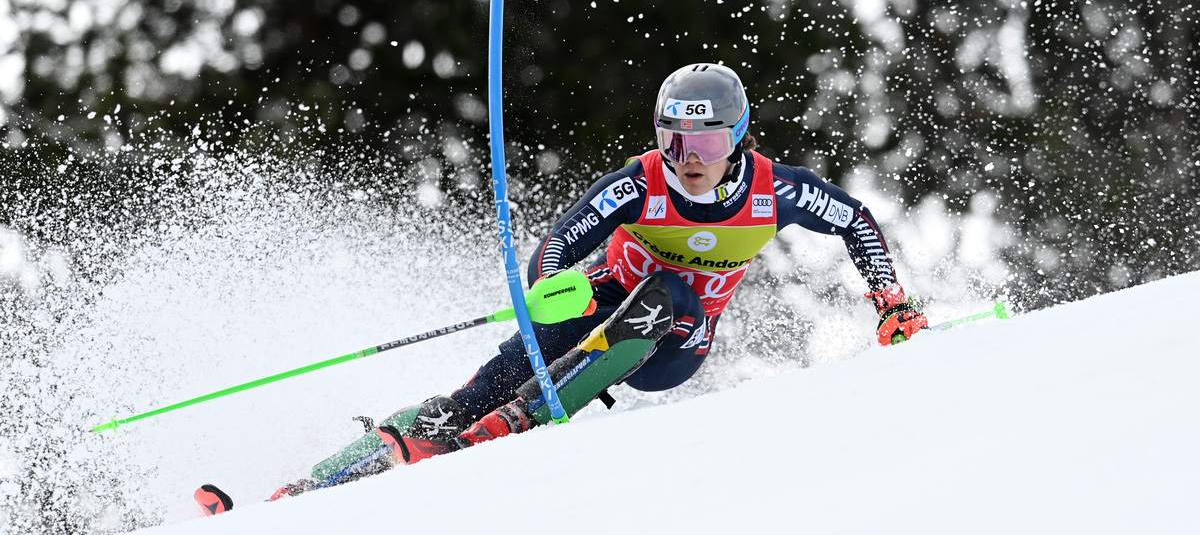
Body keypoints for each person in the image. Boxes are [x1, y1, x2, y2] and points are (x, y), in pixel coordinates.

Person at [224, 62, 928, 510]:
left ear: (738, 139)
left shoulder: (776, 193)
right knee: (475, 391)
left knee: (669, 294)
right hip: (602, 303)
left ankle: (517, 422)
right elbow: (559, 242)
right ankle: (318, 484)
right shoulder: (640, 181)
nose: (689, 162)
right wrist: (552, 285)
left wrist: (890, 302)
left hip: (675, 344)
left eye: (706, 146)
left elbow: (857, 221)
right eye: (674, 143)